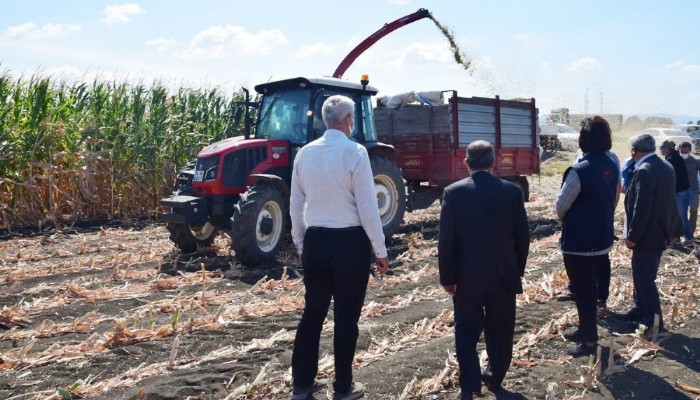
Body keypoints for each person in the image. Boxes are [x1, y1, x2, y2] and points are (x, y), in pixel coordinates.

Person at [289, 95, 390, 400]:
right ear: (348, 121)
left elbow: (296, 204)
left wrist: (301, 243)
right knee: (346, 318)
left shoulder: (304, 154)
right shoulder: (355, 152)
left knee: (313, 314)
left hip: (316, 241)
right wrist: (380, 251)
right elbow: (368, 208)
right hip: (349, 243)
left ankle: (302, 384)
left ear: (323, 121)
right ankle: (343, 387)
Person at [438, 140, 530, 400]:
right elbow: (522, 237)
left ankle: (468, 387)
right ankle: (495, 379)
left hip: (466, 278)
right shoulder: (511, 192)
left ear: (466, 163)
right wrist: (516, 270)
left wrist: (448, 277)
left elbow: (447, 240)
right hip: (502, 275)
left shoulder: (454, 193)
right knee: (501, 330)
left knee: (466, 330)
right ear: (493, 162)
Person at [556, 116, 619, 357]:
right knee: (589, 289)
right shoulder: (611, 164)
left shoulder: (579, 170)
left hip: (579, 242)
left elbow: (561, 206)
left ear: (584, 140)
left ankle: (589, 341)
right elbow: (613, 198)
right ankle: (584, 330)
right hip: (601, 237)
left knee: (583, 291)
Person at [619, 134, 678, 335]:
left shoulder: (645, 170)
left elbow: (641, 208)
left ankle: (653, 320)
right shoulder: (664, 166)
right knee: (640, 273)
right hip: (661, 230)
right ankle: (640, 309)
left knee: (644, 277)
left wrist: (632, 236)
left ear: (634, 151)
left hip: (647, 234)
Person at [563, 134, 622, 309]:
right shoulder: (580, 156)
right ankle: (576, 289)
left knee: (600, 260)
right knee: (583, 263)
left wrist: (610, 211)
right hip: (591, 218)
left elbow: (616, 187)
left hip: (593, 219)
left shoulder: (611, 159)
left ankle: (600, 294)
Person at [660, 140, 692, 245]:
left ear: (667, 149)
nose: (662, 150)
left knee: (681, 216)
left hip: (680, 192)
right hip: (684, 190)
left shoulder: (671, 159)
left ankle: (688, 238)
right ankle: (677, 237)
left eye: (663, 148)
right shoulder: (677, 157)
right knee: (679, 215)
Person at [679, 141, 700, 236]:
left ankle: (691, 231)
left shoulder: (696, 162)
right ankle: (681, 231)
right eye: (682, 152)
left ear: (690, 151)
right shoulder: (676, 161)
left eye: (685, 152)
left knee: (693, 210)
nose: (683, 154)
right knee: (681, 212)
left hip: (693, 190)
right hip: (680, 191)